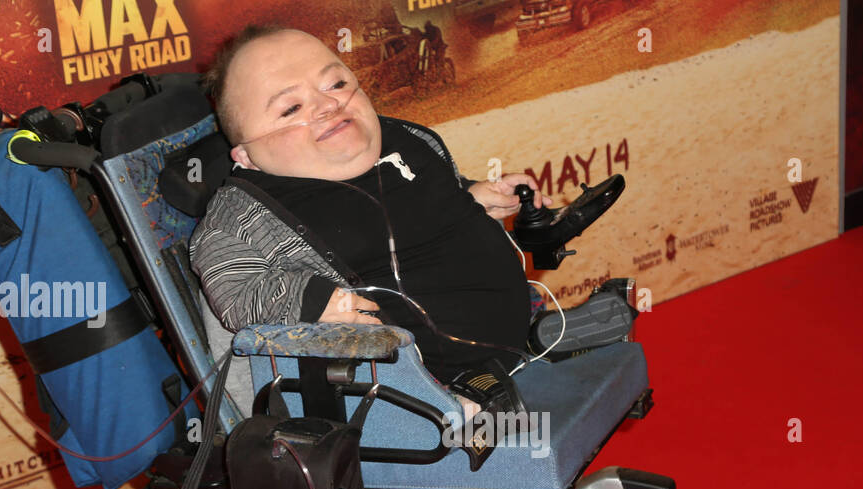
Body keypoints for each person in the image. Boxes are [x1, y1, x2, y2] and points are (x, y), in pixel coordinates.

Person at [189, 25, 633, 415]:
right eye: (290, 109)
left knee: (494, 317)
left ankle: (528, 341)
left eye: (337, 83)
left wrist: (472, 196)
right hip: (407, 380)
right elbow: (235, 287)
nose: (327, 106)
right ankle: (460, 399)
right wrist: (311, 302)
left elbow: (432, 203)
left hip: (497, 323)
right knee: (443, 391)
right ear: (245, 155)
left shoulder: (407, 140)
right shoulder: (244, 214)